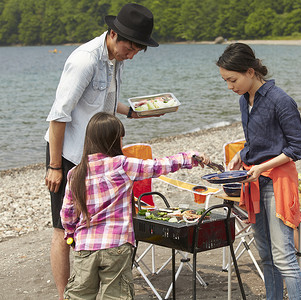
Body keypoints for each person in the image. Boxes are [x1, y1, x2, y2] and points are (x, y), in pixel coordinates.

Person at [44, 4, 160, 299]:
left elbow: (103, 101)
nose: (132, 55)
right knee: (63, 228)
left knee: (98, 221)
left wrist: (133, 112)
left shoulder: (115, 59)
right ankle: (64, 294)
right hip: (69, 154)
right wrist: (55, 166)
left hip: (99, 154)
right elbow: (59, 115)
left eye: (138, 50)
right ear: (114, 34)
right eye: (131, 48)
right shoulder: (85, 60)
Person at [60, 112, 210, 299]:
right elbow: (158, 166)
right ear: (114, 141)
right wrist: (190, 157)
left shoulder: (75, 173)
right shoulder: (122, 165)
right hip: (117, 244)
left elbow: (67, 213)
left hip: (85, 245)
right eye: (121, 139)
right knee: (116, 295)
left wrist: (71, 234)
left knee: (79, 295)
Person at [217, 43, 301, 299]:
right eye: (225, 80)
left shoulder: (281, 100)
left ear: (250, 71)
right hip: (255, 181)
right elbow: (256, 141)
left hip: (277, 180)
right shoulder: (244, 101)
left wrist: (263, 166)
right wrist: (240, 155)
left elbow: (299, 146)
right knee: (266, 254)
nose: (229, 86)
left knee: (284, 256)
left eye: (232, 79)